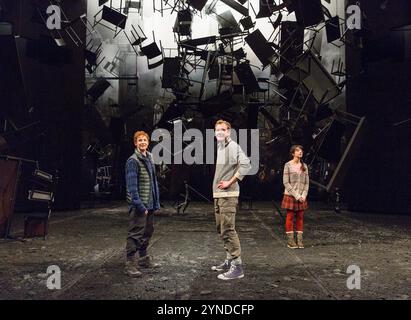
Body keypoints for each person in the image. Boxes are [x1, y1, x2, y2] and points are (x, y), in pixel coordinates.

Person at [211, 120, 251, 280]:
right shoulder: (222, 147)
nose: (219, 132)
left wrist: (230, 182)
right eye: (217, 130)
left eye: (222, 129)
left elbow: (246, 164)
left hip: (228, 196)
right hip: (219, 195)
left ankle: (237, 266)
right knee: (222, 230)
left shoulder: (233, 146)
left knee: (228, 230)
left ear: (229, 131)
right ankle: (229, 261)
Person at [124, 131, 160, 277]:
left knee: (148, 231)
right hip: (140, 204)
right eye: (140, 140)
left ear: (148, 142)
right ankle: (130, 264)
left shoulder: (149, 157)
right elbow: (132, 187)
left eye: (145, 140)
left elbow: (152, 181)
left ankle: (144, 259)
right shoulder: (133, 161)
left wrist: (155, 202)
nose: (143, 142)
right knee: (135, 234)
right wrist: (139, 205)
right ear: (135, 143)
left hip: (150, 202)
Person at [281, 145, 309, 249]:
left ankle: (300, 241)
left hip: (302, 196)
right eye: (297, 150)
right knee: (290, 217)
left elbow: (307, 183)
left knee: (300, 217)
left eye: (301, 150)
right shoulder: (288, 165)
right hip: (291, 195)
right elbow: (286, 182)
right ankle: (290, 241)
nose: (300, 152)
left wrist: (303, 195)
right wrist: (297, 195)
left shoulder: (304, 166)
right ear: (293, 153)